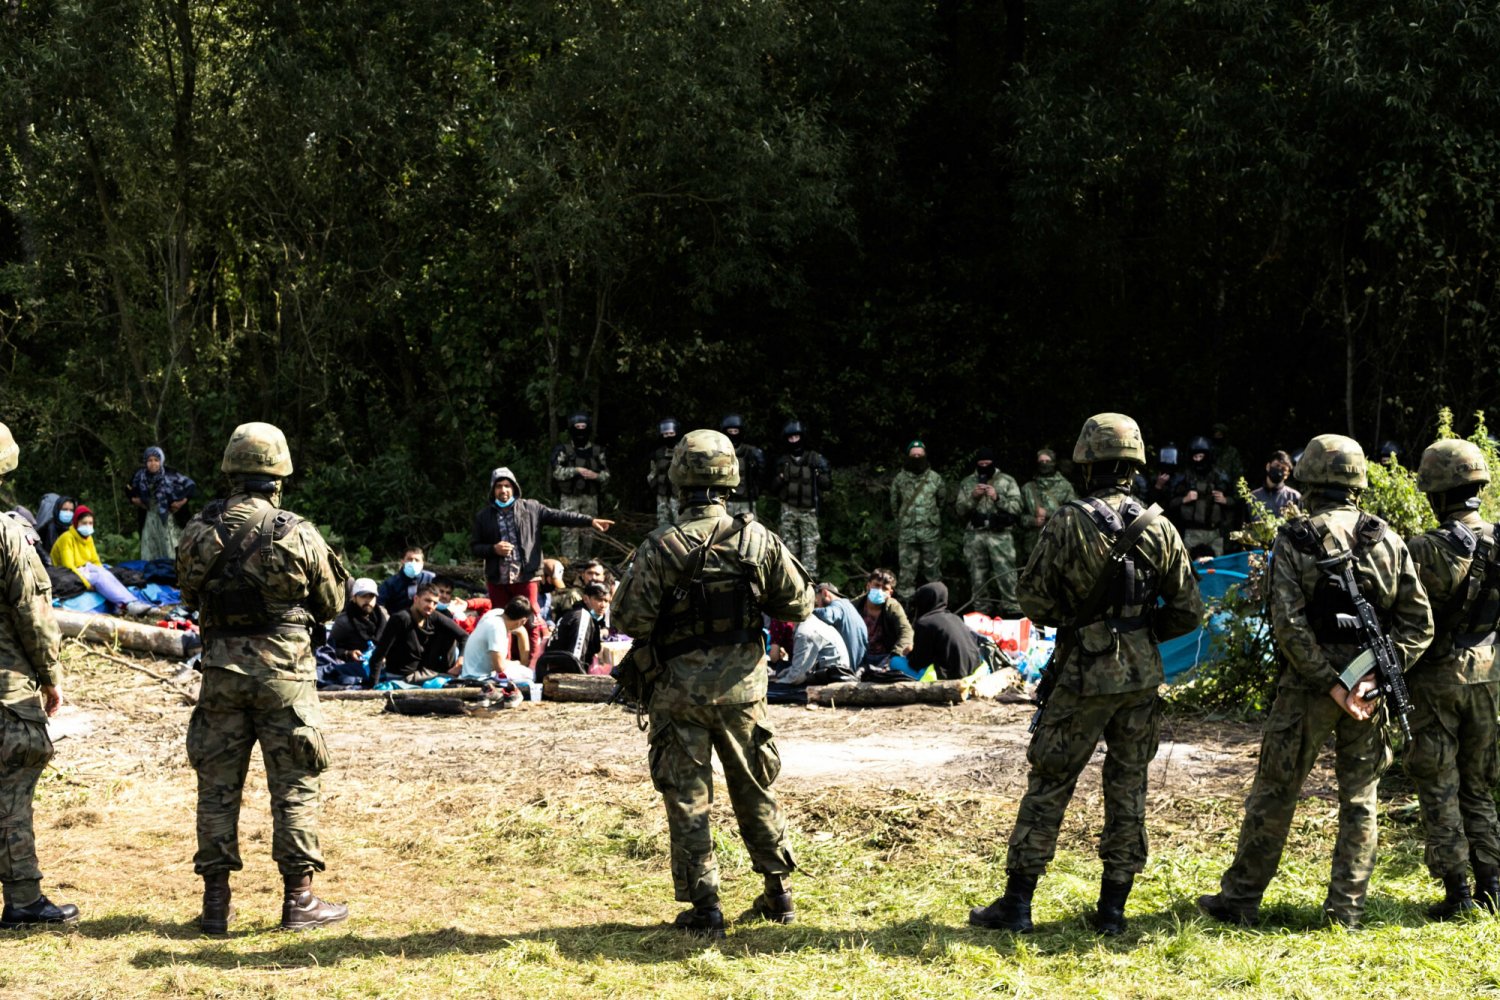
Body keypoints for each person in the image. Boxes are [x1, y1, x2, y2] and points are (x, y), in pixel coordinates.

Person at [971, 413, 1202, 937]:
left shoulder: (1067, 521)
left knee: (1051, 780)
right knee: (1129, 786)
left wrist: (1079, 621)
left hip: (1083, 674)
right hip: (1141, 679)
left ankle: (1018, 903)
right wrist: (1140, 632)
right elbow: (1188, 611)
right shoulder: (1160, 525)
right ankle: (1113, 911)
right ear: (1134, 464)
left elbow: (1032, 598)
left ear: (1087, 462)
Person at [1198, 434, 1432, 930]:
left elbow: (1287, 624)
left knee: (1275, 792)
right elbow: (1419, 625)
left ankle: (1239, 900)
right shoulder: (1386, 539)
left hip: (1309, 689)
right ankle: (1345, 911)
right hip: (1369, 692)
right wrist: (1373, 680)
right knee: (1361, 800)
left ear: (1309, 480)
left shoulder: (1296, 537)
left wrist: (1331, 683)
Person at [613, 429, 813, 936]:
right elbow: (800, 604)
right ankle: (779, 892)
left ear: (679, 477)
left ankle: (706, 908)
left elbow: (628, 619)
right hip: (744, 691)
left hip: (678, 691)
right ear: (731, 477)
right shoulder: (758, 538)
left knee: (687, 795)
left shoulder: (661, 546)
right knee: (756, 789)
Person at [176, 422, 350, 933]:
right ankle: (299, 900)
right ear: (279, 474)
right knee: (294, 784)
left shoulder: (198, 531)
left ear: (231, 470)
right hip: (285, 676)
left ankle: (215, 905)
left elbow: (188, 597)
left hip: (220, 676)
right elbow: (332, 602)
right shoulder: (296, 531)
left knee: (216, 788)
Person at [1402, 439, 1500, 917]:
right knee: (1478, 784)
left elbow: (1402, 615)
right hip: (1490, 677)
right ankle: (1493, 886)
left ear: (1436, 493)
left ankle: (1458, 893)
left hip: (1437, 679)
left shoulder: (1424, 548)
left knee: (1440, 785)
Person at [0, 423, 78, 929]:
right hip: (5, 689)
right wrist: (50, 677)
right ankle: (25, 900)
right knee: (11, 789)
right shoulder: (8, 532)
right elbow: (34, 614)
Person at [469, 466, 613, 654]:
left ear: (514, 488)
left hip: (526, 575)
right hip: (498, 578)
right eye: (498, 486)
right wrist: (493, 549)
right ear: (492, 490)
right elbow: (475, 547)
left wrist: (590, 521)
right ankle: (504, 662)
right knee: (500, 621)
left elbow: (561, 516)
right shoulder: (484, 516)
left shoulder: (531, 508)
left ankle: (533, 661)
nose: (503, 490)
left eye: (507, 486)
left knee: (531, 619)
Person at [956, 448, 1025, 616]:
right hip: (975, 536)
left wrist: (997, 498)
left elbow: (1018, 508)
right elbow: (959, 510)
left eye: (988, 464)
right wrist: (973, 497)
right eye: (981, 464)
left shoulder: (1007, 481)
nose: (984, 466)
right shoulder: (968, 482)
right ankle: (981, 614)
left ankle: (1013, 611)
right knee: (978, 578)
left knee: (1007, 576)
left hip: (1000, 536)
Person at [49, 505, 152, 615]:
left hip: (84, 569)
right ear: (76, 523)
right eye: (84, 523)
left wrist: (104, 572)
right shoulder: (67, 538)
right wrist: (87, 584)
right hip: (68, 574)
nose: (88, 526)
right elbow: (68, 565)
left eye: (90, 523)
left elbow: (95, 560)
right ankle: (128, 604)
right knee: (98, 576)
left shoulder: (88, 538)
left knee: (105, 572)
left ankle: (132, 603)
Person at [366, 582, 469, 686]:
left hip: (425, 670)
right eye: (427, 601)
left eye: (435, 603)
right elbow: (378, 656)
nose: (431, 606)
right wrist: (372, 687)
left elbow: (464, 636)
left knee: (449, 633)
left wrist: (461, 659)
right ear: (416, 599)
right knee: (453, 683)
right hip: (404, 676)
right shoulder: (401, 619)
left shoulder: (432, 615)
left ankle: (448, 673)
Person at [771, 419, 830, 579]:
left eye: (796, 437)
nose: (794, 441)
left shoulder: (815, 459)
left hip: (808, 511)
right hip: (788, 510)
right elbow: (773, 487)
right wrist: (781, 478)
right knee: (789, 548)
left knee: (810, 549)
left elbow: (827, 484)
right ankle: (791, 581)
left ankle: (810, 584)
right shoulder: (782, 461)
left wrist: (818, 474)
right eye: (790, 438)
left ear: (802, 437)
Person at [890, 440, 946, 600]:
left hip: (930, 533)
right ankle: (906, 606)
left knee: (933, 572)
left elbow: (941, 501)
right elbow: (894, 504)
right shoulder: (900, 479)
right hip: (907, 533)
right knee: (906, 573)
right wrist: (903, 520)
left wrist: (932, 518)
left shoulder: (935, 478)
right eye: (913, 455)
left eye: (920, 455)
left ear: (925, 456)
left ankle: (936, 603)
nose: (916, 457)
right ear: (908, 457)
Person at [551, 412, 611, 563]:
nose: (580, 430)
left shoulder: (598, 452)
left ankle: (586, 567)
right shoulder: (563, 451)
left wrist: (595, 476)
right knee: (569, 532)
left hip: (590, 498)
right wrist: (576, 471)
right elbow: (557, 473)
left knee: (588, 533)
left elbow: (607, 475)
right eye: (577, 427)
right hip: (569, 499)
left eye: (583, 427)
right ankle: (570, 567)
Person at [127, 445, 197, 562]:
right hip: (149, 517)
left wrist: (180, 503)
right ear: (145, 462)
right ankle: (152, 573)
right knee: (150, 549)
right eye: (149, 460)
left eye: (156, 460)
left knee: (170, 547)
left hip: (168, 518)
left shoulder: (171, 475)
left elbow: (191, 487)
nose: (153, 463)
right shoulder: (139, 476)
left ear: (161, 461)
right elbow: (128, 490)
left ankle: (173, 572)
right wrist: (135, 501)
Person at [1167, 435, 1234, 556]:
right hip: (1191, 532)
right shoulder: (1183, 477)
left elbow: (1236, 502)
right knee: (1189, 567)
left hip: (1214, 532)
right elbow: (1169, 503)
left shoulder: (1220, 477)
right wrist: (1184, 499)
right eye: (1195, 456)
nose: (1198, 460)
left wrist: (1225, 500)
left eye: (1201, 456)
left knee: (1216, 567)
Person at [535, 584, 612, 682]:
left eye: (606, 601)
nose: (603, 605)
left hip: (553, 671)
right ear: (585, 599)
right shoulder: (582, 617)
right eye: (598, 599)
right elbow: (574, 658)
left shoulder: (575, 613)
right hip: (560, 677)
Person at [908, 582, 980, 680]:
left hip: (948, 676)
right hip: (972, 671)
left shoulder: (924, 623)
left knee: (895, 661)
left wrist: (909, 653)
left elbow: (917, 663)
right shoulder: (956, 618)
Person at [1018, 449, 1078, 562]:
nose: (1044, 464)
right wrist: (1032, 521)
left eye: (1047, 461)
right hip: (1032, 548)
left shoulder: (1065, 487)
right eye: (1041, 461)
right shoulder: (1028, 488)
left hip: (1058, 545)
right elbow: (1019, 517)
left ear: (1054, 463)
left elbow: (1073, 514)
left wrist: (1049, 514)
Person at [850, 568, 914, 668]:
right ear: (868, 586)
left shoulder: (893, 607)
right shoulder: (854, 606)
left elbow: (906, 632)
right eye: (876, 586)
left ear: (890, 593)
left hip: (885, 656)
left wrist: (895, 655)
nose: (879, 590)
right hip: (859, 656)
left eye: (884, 588)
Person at [462, 596, 534, 682]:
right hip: (477, 677)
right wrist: (516, 663)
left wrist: (523, 662)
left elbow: (521, 631)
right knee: (530, 676)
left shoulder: (497, 614)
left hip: (471, 672)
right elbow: (500, 667)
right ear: (522, 621)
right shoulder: (497, 627)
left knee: (524, 671)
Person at [771, 612, 853, 687]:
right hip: (833, 674)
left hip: (834, 681)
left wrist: (778, 682)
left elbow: (797, 677)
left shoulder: (805, 632)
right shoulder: (812, 623)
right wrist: (787, 672)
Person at [328, 577, 387, 663]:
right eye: (363, 596)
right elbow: (331, 649)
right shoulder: (343, 621)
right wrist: (349, 653)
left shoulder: (383, 616)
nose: (367, 600)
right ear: (354, 598)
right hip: (353, 669)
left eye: (371, 596)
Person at [812, 582, 867, 667]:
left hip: (848, 668)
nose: (818, 605)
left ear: (824, 592)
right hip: (859, 665)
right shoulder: (848, 606)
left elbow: (827, 615)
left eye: (817, 600)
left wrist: (808, 611)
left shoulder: (838, 605)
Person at [720, 414, 765, 519]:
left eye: (736, 431)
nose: (733, 434)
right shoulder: (719, 452)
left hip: (746, 502)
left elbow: (761, 476)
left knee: (748, 533)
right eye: (730, 432)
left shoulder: (751, 452)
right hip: (725, 501)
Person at [376, 546, 434, 615]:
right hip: (397, 620)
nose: (413, 562)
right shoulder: (390, 583)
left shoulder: (431, 578)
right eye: (410, 559)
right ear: (402, 561)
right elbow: (378, 604)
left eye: (417, 560)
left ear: (422, 563)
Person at [648, 417, 682, 528]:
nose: (668, 437)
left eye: (671, 433)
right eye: (665, 434)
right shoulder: (658, 453)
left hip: (679, 498)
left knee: (681, 528)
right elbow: (652, 473)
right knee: (663, 529)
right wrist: (656, 484)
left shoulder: (683, 452)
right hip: (662, 498)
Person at [1248, 450, 1302, 520]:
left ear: (1287, 475)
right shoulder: (1252, 498)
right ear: (1268, 466)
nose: (1279, 470)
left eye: (1283, 469)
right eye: (1277, 465)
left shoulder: (1294, 497)